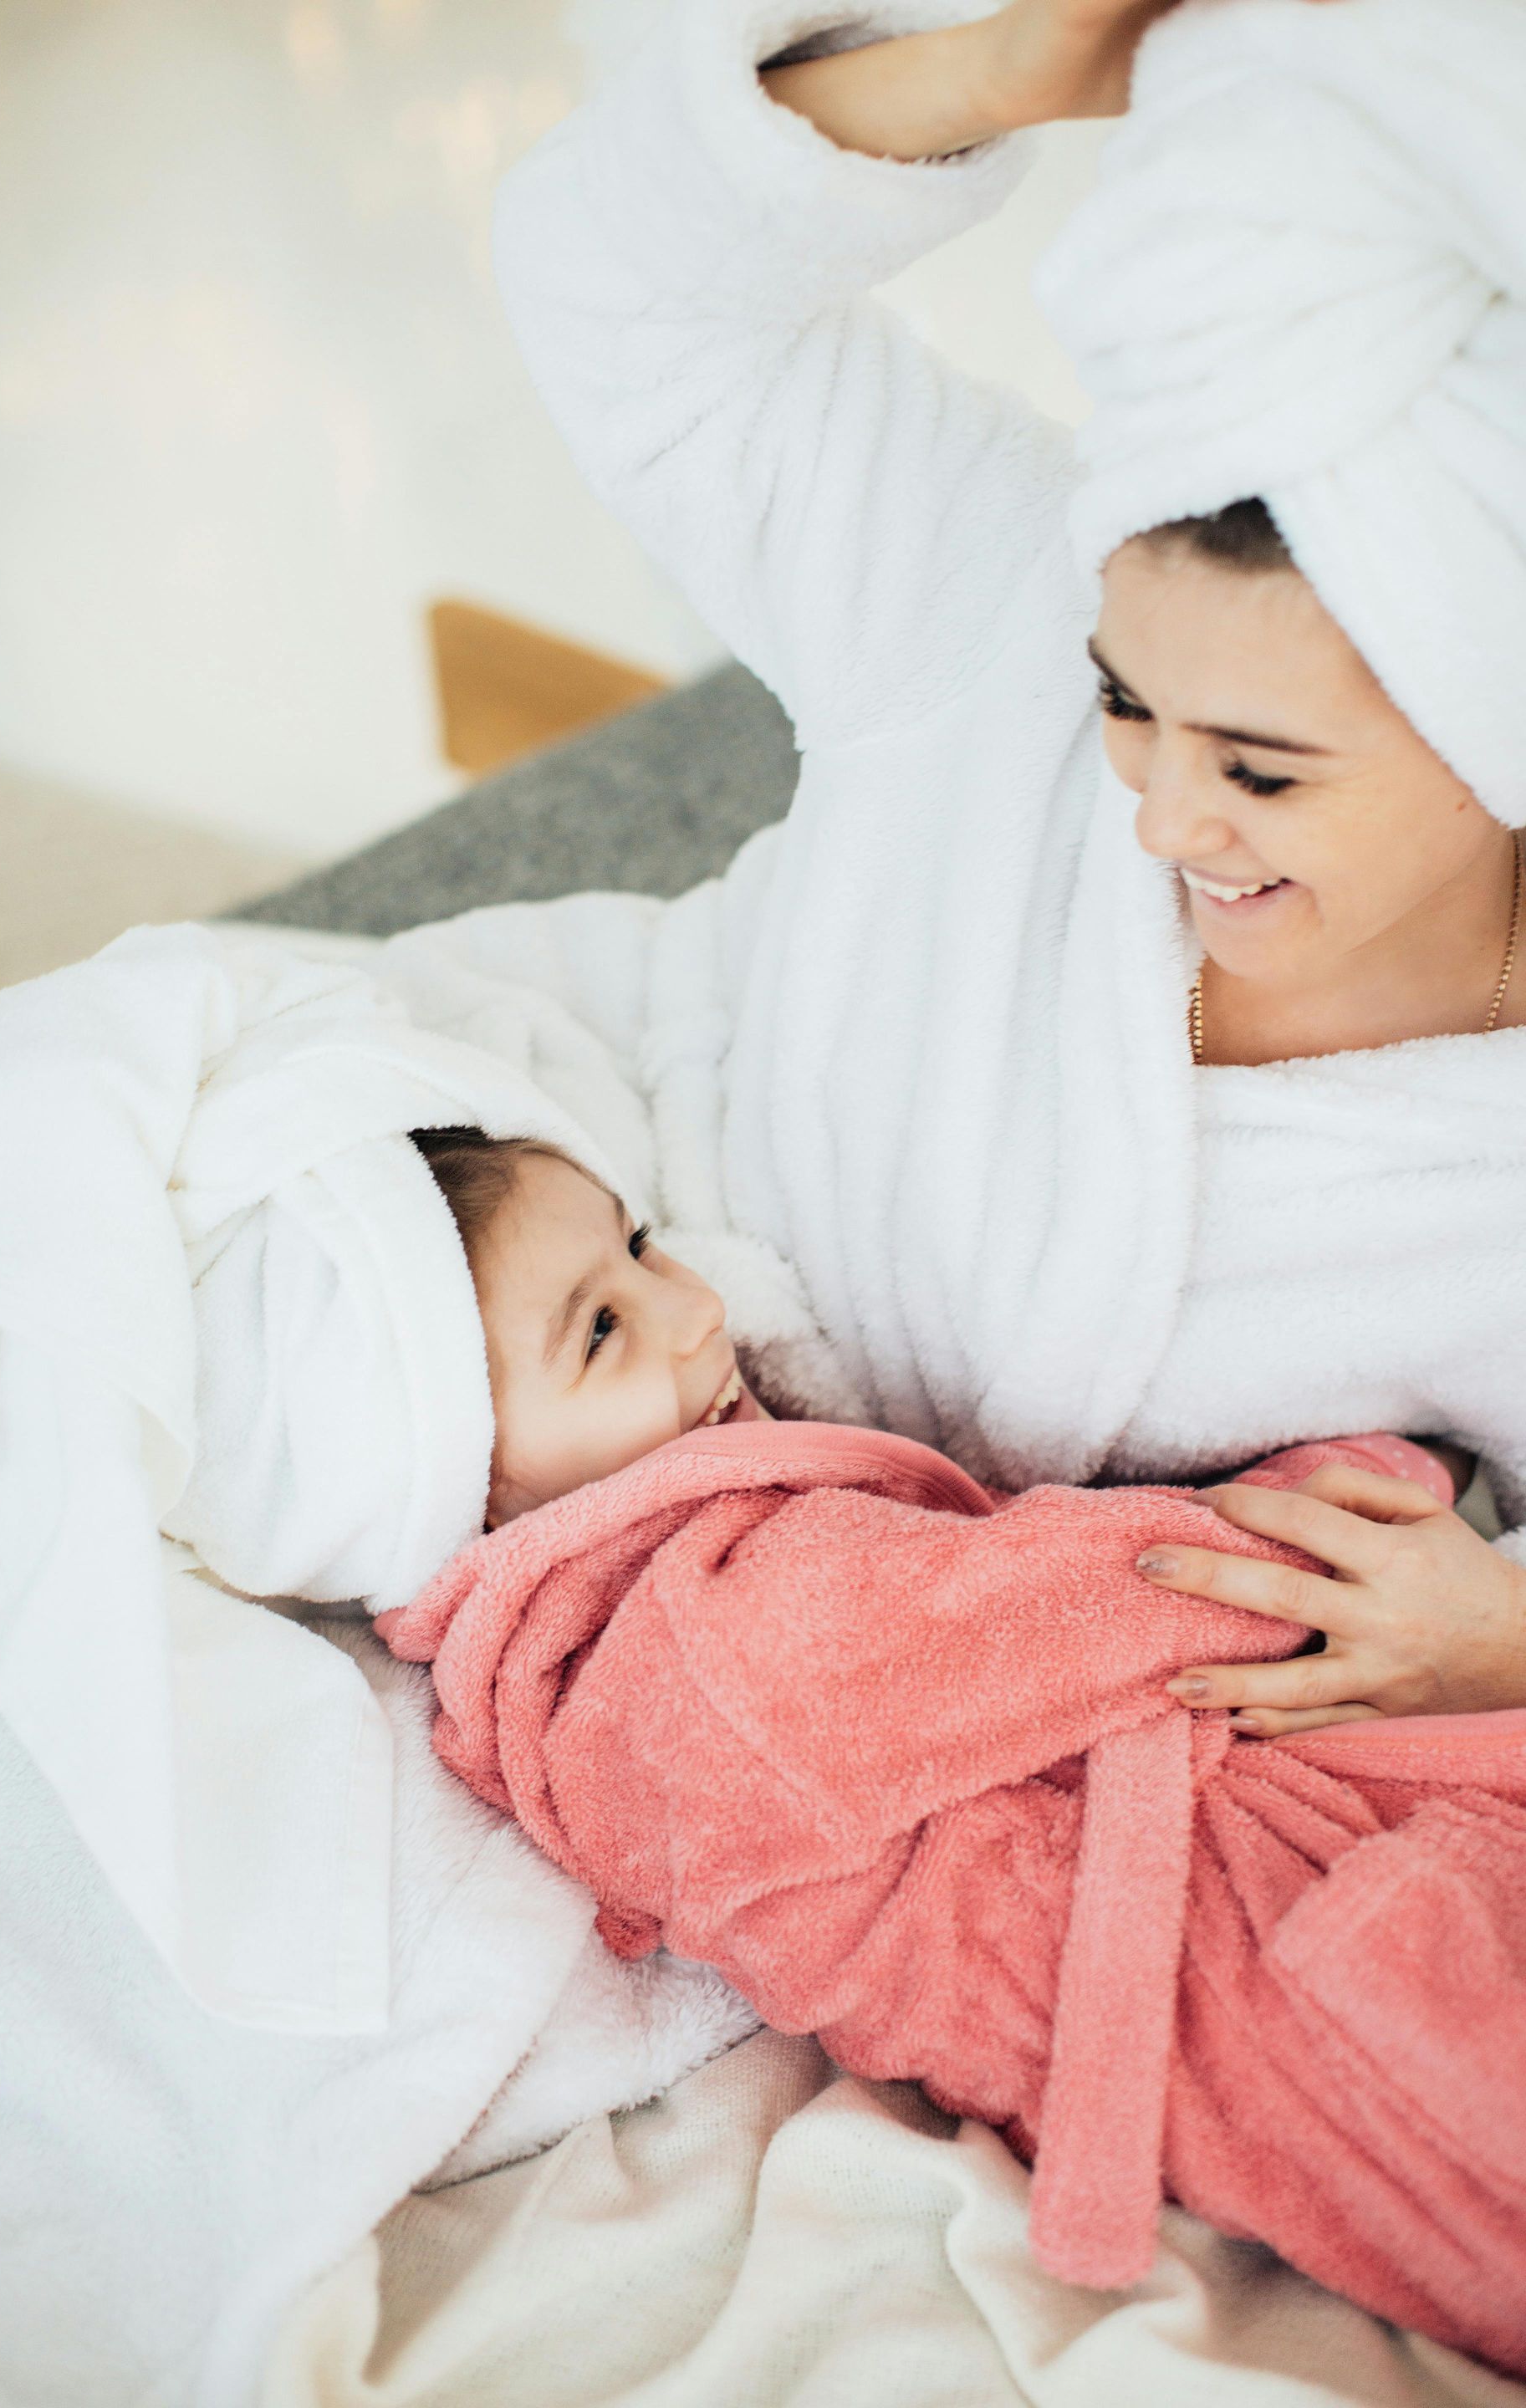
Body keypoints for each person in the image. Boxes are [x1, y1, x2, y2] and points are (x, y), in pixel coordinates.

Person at [450, 0, 1526, 1737]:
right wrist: (994, 71)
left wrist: (1505, 1639)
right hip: (562, 1219)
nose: (1165, 820)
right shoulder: (993, 595)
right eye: (1127, 704)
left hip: (924, 1649)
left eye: (1262, 769)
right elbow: (615, 286)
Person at [382, 1123, 1526, 2374]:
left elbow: (1040, 1598)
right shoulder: (711, 1658)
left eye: (643, 1246)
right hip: (1274, 1982)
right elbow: (1131, 1589)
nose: (698, 1310)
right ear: (469, 1474)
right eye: (599, 1330)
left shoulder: (670, 1616)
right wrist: (1377, 1489)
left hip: (1277, 1931)